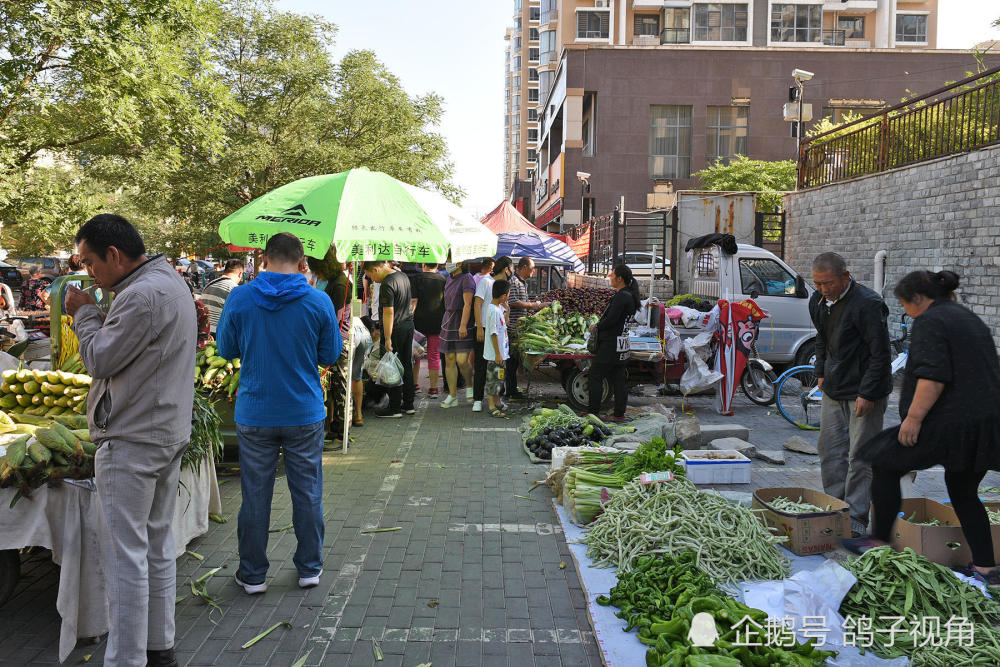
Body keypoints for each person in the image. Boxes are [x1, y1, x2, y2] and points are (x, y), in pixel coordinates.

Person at [65, 213, 196, 667]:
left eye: (89, 262)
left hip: (135, 439)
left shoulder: (142, 295)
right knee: (156, 547)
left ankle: (127, 660)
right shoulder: (167, 282)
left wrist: (83, 312)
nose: (89, 273)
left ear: (114, 256)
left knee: (126, 559)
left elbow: (100, 358)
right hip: (162, 431)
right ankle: (159, 648)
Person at [846, 271, 1000, 584]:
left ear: (917, 299)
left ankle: (877, 539)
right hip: (986, 424)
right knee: (964, 491)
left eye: (906, 305)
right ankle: (986, 568)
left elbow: (934, 376)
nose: (908, 312)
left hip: (952, 422)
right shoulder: (965, 318)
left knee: (883, 459)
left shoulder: (931, 321)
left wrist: (913, 419)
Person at [216, 233, 342, 595]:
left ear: (264, 259)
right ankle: (309, 569)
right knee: (307, 490)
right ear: (302, 262)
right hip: (303, 411)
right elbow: (329, 355)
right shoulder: (317, 301)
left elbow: (225, 348)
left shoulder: (240, 297)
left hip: (255, 412)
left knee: (255, 493)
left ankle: (253, 575)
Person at [809, 252, 892, 537]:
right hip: (834, 388)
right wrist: (820, 371)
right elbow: (821, 338)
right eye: (818, 284)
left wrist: (867, 393)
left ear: (845, 277)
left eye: (828, 283)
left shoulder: (868, 304)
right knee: (829, 451)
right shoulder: (817, 302)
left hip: (865, 392)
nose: (823, 289)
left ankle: (856, 519)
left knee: (860, 457)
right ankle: (835, 508)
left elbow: (880, 355)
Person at [307, 248, 351, 440]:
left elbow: (336, 317)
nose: (316, 274)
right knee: (333, 385)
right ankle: (335, 425)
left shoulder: (340, 284)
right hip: (329, 338)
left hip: (339, 339)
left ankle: (342, 427)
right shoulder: (332, 281)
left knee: (341, 384)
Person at [362, 260, 415, 418]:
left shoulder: (387, 284)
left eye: (370, 275)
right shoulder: (403, 276)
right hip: (408, 325)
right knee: (406, 365)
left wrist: (388, 337)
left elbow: (388, 312)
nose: (371, 279)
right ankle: (408, 404)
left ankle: (394, 408)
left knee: (392, 368)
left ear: (376, 269)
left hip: (395, 328)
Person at [588, 264, 641, 421]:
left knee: (595, 375)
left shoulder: (622, 296)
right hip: (622, 343)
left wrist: (596, 326)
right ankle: (619, 414)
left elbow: (611, 320)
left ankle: (594, 412)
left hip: (611, 344)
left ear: (620, 279)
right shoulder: (629, 296)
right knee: (618, 378)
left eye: (612, 275)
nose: (610, 277)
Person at [473, 257, 513, 412]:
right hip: (484, 327)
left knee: (495, 370)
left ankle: (496, 400)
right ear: (506, 269)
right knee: (481, 366)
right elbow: (477, 304)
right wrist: (478, 328)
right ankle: (478, 399)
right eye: (512, 268)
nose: (512, 272)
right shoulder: (486, 281)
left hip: (496, 327)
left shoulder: (502, 288)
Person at [506, 257, 549, 399]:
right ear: (523, 268)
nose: (533, 271)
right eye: (532, 269)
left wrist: (536, 305)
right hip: (512, 327)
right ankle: (510, 391)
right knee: (511, 362)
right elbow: (513, 302)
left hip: (519, 328)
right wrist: (533, 306)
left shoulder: (522, 282)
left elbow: (522, 302)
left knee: (513, 361)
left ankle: (511, 389)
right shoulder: (513, 281)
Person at [439, 261, 475, 408]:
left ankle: (469, 385)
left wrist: (463, 325)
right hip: (448, 320)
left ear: (459, 262)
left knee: (461, 360)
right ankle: (452, 395)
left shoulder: (467, 278)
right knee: (449, 358)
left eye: (449, 260)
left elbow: (468, 304)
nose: (447, 263)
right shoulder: (448, 278)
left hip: (462, 321)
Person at [411, 263, 446, 398]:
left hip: (418, 321)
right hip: (437, 321)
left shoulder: (416, 278)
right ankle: (433, 388)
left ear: (423, 264)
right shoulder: (443, 280)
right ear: (437, 265)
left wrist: (410, 318)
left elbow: (414, 301)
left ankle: (415, 385)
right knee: (434, 355)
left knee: (416, 355)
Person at [483, 280, 510, 417]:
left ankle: (498, 402)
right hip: (495, 355)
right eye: (508, 294)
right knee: (492, 380)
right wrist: (498, 354)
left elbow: (505, 323)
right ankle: (492, 406)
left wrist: (508, 310)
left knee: (499, 379)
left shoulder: (499, 308)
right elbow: (493, 333)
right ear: (503, 295)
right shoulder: (493, 310)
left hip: (501, 354)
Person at [201, 259, 244, 335]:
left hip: (204, 332)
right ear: (240, 274)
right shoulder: (235, 289)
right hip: (220, 335)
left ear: (224, 271)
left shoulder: (208, 285)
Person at [350, 316, 374, 427]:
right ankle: (358, 415)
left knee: (342, 374)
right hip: (364, 336)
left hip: (352, 335)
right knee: (357, 376)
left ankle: (344, 416)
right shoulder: (357, 319)